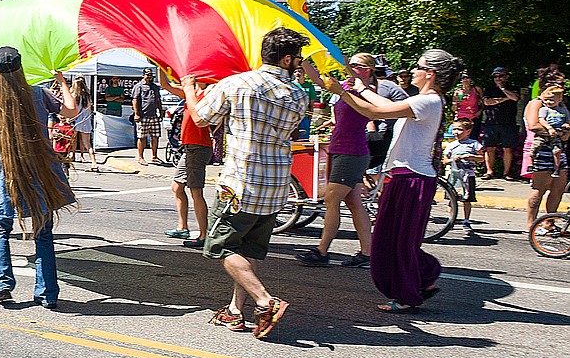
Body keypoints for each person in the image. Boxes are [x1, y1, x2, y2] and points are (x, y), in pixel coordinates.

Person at [307, 48, 462, 313]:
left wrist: (344, 92)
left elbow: (378, 112)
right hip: (404, 176)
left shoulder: (429, 101)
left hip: (413, 179)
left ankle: (407, 295)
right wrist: (357, 85)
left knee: (397, 241)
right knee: (394, 239)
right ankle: (423, 277)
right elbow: (376, 104)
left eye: (418, 66)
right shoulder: (424, 99)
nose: (413, 70)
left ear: (430, 74)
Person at [181, 28, 309, 338]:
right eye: (298, 59)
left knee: (222, 248)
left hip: (240, 183)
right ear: (288, 59)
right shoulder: (298, 94)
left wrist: (188, 89)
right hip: (276, 185)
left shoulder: (237, 84)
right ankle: (235, 311)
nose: (300, 64)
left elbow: (200, 119)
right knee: (248, 250)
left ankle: (265, 301)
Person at [0, 48, 77, 309]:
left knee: (1, 229)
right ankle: (47, 293)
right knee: (43, 233)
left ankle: (3, 284)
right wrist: (61, 81)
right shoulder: (37, 92)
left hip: (8, 170)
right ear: (21, 67)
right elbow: (70, 111)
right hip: (40, 168)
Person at [297, 53, 377, 268]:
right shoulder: (346, 87)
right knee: (354, 202)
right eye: (348, 64)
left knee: (331, 200)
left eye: (355, 65)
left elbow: (367, 111)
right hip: (343, 150)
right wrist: (303, 57)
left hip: (351, 152)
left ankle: (322, 251)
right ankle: (367, 252)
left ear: (367, 70)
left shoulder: (367, 93)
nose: (349, 68)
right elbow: (318, 79)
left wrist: (344, 89)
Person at [159, 74, 212, 248]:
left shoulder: (208, 93)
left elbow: (200, 116)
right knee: (177, 187)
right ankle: (183, 227)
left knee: (196, 191)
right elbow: (165, 85)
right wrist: (158, 64)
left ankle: (204, 235)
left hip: (198, 145)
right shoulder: (191, 92)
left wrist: (190, 89)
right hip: (189, 146)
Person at [524, 77, 570, 232]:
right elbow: (534, 125)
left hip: (558, 149)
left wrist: (566, 132)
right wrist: (555, 133)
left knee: (558, 187)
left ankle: (549, 223)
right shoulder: (537, 103)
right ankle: (531, 224)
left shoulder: (561, 105)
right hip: (542, 148)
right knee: (540, 187)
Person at [443, 119, 484, 231]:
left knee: (467, 199)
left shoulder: (474, 144)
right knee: (452, 199)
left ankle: (466, 220)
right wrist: (452, 159)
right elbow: (445, 161)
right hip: (454, 175)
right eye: (454, 129)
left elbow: (481, 158)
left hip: (468, 175)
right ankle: (451, 219)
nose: (456, 132)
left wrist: (471, 157)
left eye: (460, 129)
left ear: (468, 131)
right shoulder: (451, 145)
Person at [481, 66, 520, 179]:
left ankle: (506, 173)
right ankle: (489, 171)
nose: (498, 78)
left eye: (500, 76)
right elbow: (487, 102)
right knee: (489, 148)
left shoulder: (512, 88)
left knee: (507, 148)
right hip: (491, 122)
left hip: (508, 122)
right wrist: (505, 99)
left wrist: (503, 90)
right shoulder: (489, 89)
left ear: (506, 76)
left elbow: (515, 97)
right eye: (495, 76)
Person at [130, 67, 164, 166]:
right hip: (143, 115)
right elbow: (135, 100)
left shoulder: (155, 87)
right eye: (147, 75)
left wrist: (161, 111)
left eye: (150, 75)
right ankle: (140, 157)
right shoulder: (138, 86)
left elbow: (158, 100)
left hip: (154, 115)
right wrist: (136, 114)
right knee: (142, 137)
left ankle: (154, 156)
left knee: (155, 136)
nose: (149, 77)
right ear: (143, 75)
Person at [69, 77, 99, 171]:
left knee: (72, 139)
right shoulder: (87, 96)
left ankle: (72, 155)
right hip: (85, 120)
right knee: (87, 143)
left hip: (75, 119)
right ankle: (94, 162)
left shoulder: (73, 95)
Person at [452, 72, 483, 140]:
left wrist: (480, 111)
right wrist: (456, 104)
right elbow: (454, 109)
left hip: (474, 116)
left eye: (467, 77)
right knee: (460, 137)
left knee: (473, 138)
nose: (465, 80)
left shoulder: (476, 89)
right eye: (463, 78)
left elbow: (483, 102)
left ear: (470, 79)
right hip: (460, 117)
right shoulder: (458, 92)